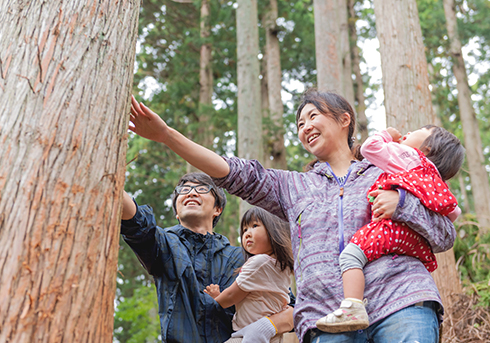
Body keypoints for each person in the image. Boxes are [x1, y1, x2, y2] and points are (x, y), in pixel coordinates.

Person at [128, 90, 457, 343]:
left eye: (314, 116)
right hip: (327, 318)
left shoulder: (390, 171)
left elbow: (444, 234)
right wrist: (167, 136)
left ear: (345, 119)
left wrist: (401, 204)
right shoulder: (293, 186)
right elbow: (234, 172)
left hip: (401, 300)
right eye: (300, 124)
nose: (305, 127)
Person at [315, 126, 464, 333]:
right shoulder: (434, 178)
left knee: (350, 257)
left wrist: (387, 135)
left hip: (390, 232)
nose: (408, 133)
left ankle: (352, 306)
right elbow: (453, 213)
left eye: (418, 130)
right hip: (414, 244)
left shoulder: (409, 156)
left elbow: (370, 148)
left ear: (427, 148)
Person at [120, 172, 294, 343]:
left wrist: (267, 326)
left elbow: (292, 306)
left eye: (202, 188)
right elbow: (137, 225)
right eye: (184, 189)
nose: (191, 192)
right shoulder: (164, 245)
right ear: (177, 213)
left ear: (217, 209)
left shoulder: (245, 258)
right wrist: (112, 182)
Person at [204, 207, 294, 343]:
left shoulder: (259, 263)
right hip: (273, 335)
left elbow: (232, 295)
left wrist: (216, 300)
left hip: (251, 335)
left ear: (274, 230)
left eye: (255, 226)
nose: (247, 233)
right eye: (245, 229)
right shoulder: (279, 266)